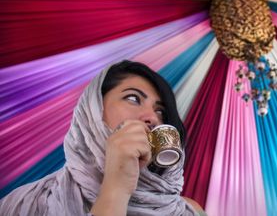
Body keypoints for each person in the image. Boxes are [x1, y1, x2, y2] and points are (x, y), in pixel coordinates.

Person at [0, 60, 205, 216]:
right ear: (92, 112)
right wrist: (116, 188)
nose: (152, 117)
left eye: (160, 111)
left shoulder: (189, 211)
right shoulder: (25, 205)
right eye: (133, 98)